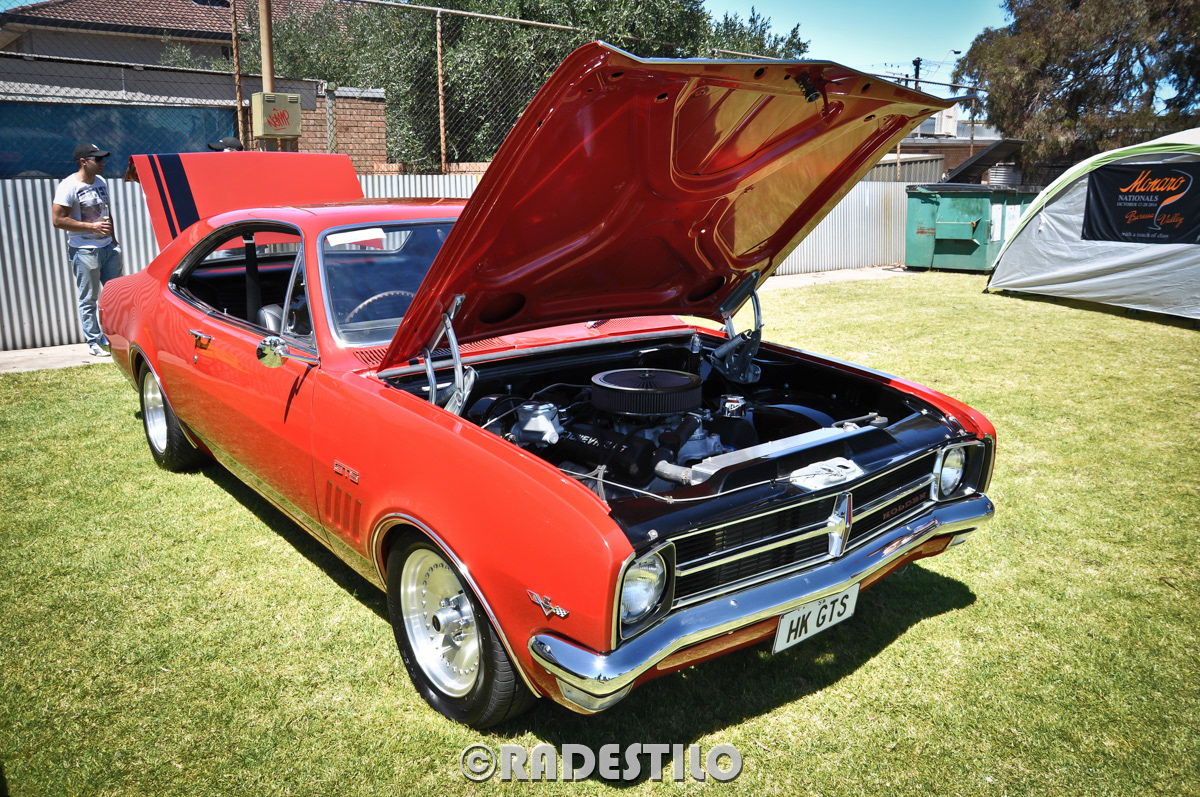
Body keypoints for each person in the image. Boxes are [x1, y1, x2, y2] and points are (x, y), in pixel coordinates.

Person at [52, 143, 121, 357]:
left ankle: (112, 335)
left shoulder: (101, 181)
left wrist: (114, 240)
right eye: (98, 159)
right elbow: (58, 220)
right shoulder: (68, 186)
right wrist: (92, 227)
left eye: (103, 159)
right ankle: (93, 340)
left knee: (114, 296)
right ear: (83, 162)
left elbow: (106, 212)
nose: (103, 163)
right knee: (89, 298)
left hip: (108, 247)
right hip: (84, 250)